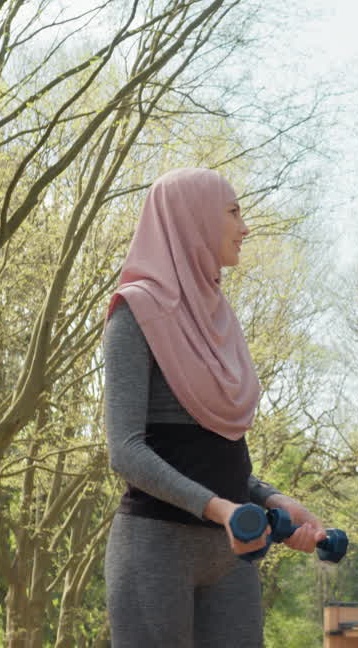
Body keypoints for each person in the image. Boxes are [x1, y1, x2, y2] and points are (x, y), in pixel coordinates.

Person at [102, 167, 328, 647]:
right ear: (192, 219)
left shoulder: (219, 318)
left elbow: (209, 454)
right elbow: (126, 451)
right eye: (233, 212)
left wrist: (268, 498)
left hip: (231, 553)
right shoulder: (134, 312)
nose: (245, 227)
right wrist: (222, 510)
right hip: (156, 548)